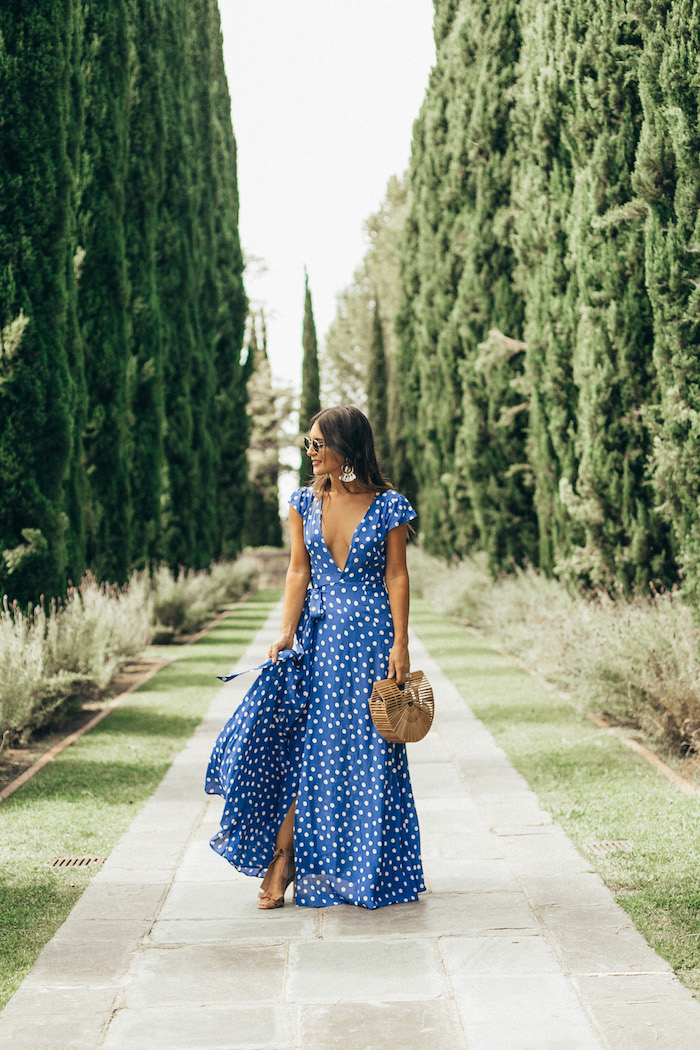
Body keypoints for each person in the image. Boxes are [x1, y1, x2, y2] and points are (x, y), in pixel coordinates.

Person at [206, 405, 425, 909]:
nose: (310, 453)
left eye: (316, 444)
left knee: (373, 755)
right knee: (309, 752)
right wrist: (285, 632)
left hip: (371, 644)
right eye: (307, 444)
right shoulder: (303, 503)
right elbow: (297, 572)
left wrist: (401, 642)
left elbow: (396, 575)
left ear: (344, 449)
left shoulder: (389, 505)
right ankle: (282, 862)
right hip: (319, 646)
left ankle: (369, 869)